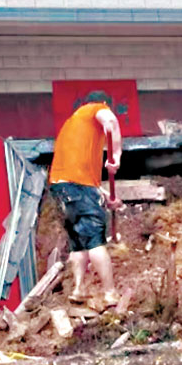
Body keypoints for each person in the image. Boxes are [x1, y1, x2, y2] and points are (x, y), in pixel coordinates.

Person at [49, 91, 122, 306]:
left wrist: (106, 196)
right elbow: (110, 121)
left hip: (61, 186)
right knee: (95, 241)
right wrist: (115, 156)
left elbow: (85, 182)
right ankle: (110, 293)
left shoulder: (74, 123)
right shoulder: (96, 109)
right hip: (78, 185)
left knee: (79, 242)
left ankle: (79, 289)